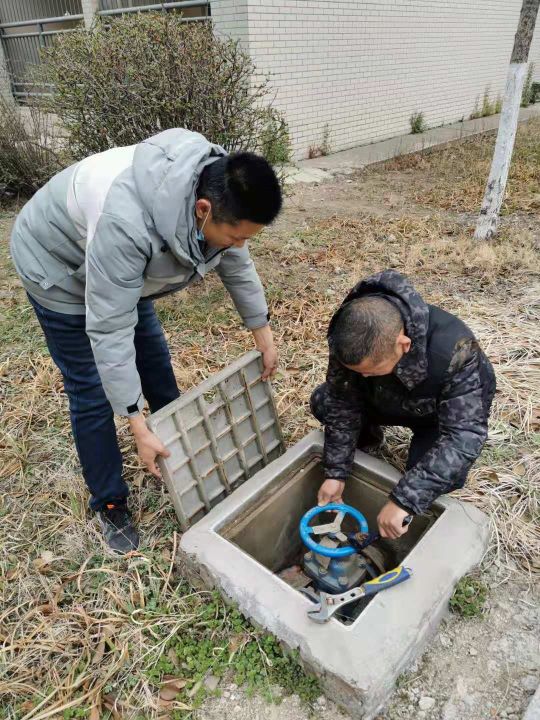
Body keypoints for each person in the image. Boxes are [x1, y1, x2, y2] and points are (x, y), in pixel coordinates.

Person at [10, 128, 282, 554]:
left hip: (117, 268)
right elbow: (108, 328)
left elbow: (235, 260)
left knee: (154, 360)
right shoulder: (126, 223)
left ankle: (177, 450)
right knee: (91, 388)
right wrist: (135, 421)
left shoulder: (217, 182)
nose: (239, 246)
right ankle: (110, 501)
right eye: (237, 236)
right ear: (203, 210)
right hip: (58, 266)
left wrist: (262, 331)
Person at [311, 270, 496, 539]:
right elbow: (342, 400)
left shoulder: (456, 352)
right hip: (383, 399)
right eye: (358, 371)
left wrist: (405, 499)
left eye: (371, 370)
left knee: (442, 476)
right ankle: (369, 438)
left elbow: (464, 436)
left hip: (434, 415)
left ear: (404, 344)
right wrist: (335, 472)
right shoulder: (347, 334)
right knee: (324, 402)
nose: (363, 376)